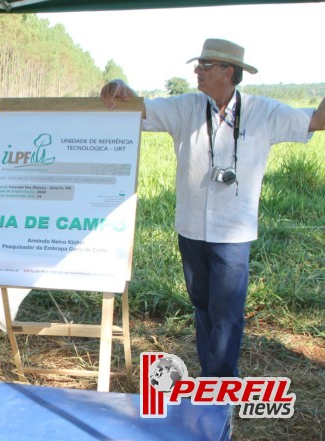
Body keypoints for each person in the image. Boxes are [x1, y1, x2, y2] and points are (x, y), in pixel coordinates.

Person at [100, 39, 325, 378]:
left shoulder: (264, 111)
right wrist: (119, 86)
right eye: (198, 65)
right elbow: (141, 108)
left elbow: (316, 120)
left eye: (205, 66)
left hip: (233, 233)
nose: (197, 71)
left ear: (228, 71)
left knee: (228, 313)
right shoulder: (187, 107)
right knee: (203, 308)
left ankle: (220, 385)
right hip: (191, 228)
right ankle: (212, 377)